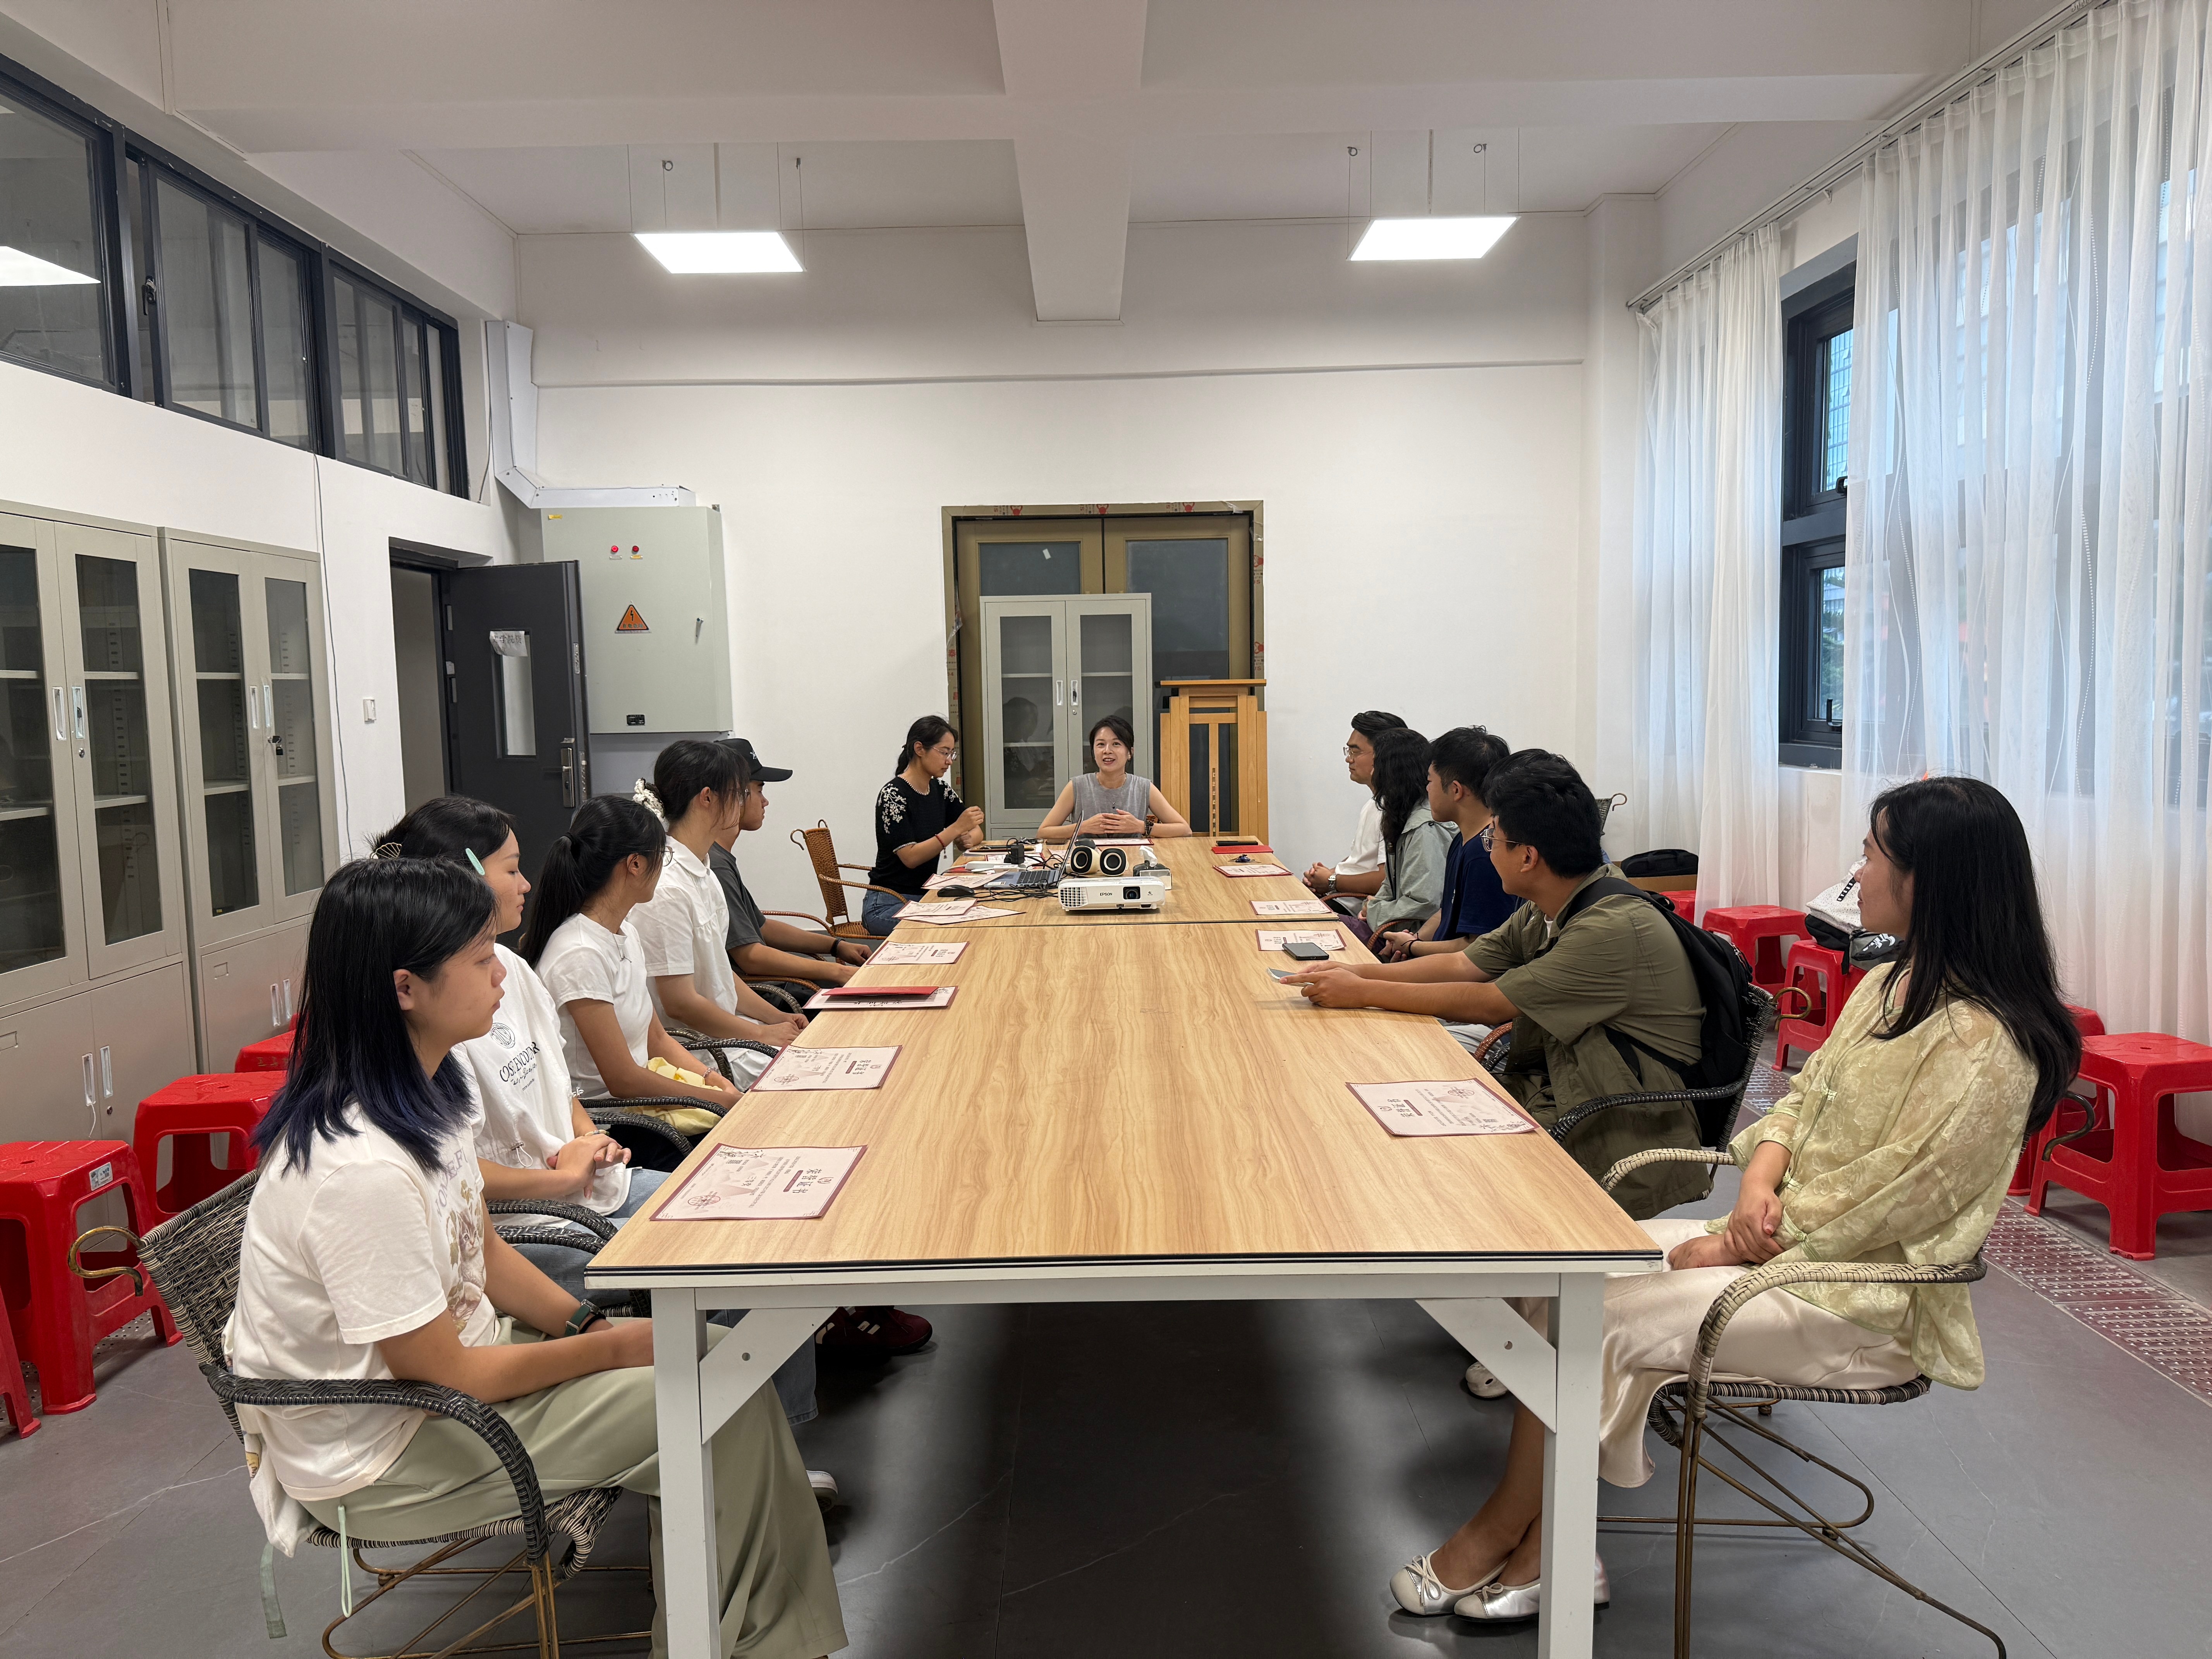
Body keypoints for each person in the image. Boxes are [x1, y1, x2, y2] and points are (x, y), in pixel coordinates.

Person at [1386, 776, 2080, 1624]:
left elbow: (1902, 1196)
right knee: (1571, 1275)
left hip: (1860, 1293)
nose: (1855, 873)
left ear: (1928, 879)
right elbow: (1799, 1100)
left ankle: (1511, 1535)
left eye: (1870, 854)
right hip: (1774, 1235)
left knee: (1598, 1318)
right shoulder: (1889, 987)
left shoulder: (1986, 1041)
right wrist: (1755, 1181)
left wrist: (1740, 1241)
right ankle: (1548, 1546)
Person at [225, 857, 846, 1658]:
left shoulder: (426, 1094)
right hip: (390, 1450)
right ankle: (758, 1641)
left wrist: (586, 1324)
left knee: (723, 1358)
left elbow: (482, 1251)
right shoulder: (359, 1169)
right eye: (480, 958)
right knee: (712, 1392)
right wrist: (611, 1348)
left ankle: (743, 1636)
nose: (500, 974)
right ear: (406, 988)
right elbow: (446, 1373)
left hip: (446, 1386)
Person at [369, 795, 824, 1442]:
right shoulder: (433, 1034)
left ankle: (760, 1434)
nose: (526, 884)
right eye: (510, 869)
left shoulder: (512, 973)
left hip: (584, 1185)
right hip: (541, 1216)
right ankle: (739, 1438)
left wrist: (587, 1138)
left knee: (766, 1222)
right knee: (731, 1259)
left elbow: (557, 1084)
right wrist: (564, 1182)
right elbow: (463, 1194)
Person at [1285, 750, 1709, 1218]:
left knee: (1430, 1168)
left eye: (1495, 839)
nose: (1488, 849)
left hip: (1620, 1123)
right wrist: (1357, 972)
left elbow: (1491, 1002)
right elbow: (1464, 964)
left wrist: (1363, 993)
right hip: (1562, 1086)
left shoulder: (1610, 927)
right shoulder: (1555, 901)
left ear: (1527, 856)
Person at [520, 796, 741, 1137]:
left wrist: (714, 1082)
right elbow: (623, 1080)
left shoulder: (625, 931)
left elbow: (657, 1038)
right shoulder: (580, 952)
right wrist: (714, 1100)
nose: (663, 868)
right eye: (662, 856)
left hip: (643, 1105)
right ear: (635, 864)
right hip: (611, 1126)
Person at [629, 741, 804, 1084]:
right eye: (739, 793)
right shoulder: (667, 887)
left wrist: (775, 1018)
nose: (745, 802)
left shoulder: (704, 869)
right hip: (704, 1057)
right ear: (707, 798)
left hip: (733, 1040)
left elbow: (719, 971)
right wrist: (762, 1034)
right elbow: (680, 1004)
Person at [711, 738, 871, 996]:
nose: (765, 801)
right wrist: (837, 972)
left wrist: (836, 946)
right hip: (760, 994)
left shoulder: (721, 859)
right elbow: (751, 957)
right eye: (759, 790)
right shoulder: (715, 866)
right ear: (735, 795)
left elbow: (761, 927)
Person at [1376, 725, 1519, 962]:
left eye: (1430, 781)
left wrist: (1413, 948)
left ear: (1456, 790)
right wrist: (1413, 940)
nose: (1427, 789)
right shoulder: (1462, 839)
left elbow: (1476, 948)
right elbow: (1447, 912)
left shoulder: (1485, 854)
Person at [864, 716, 986, 937]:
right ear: (920, 749)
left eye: (952, 754)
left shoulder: (940, 790)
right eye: (944, 752)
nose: (949, 761)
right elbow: (911, 858)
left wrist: (969, 837)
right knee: (954, 928)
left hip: (924, 898)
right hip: (888, 903)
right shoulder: (893, 795)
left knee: (977, 913)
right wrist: (955, 830)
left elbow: (974, 828)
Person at [1302, 710, 1406, 912]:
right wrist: (1323, 876)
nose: (1349, 759)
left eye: (1356, 752)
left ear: (1383, 755)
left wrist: (1332, 881)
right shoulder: (1374, 804)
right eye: (1348, 751)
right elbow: (1360, 861)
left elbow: (1385, 879)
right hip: (1340, 897)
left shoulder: (1392, 808)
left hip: (1354, 908)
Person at [1036, 713, 1192, 843]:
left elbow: (1185, 830)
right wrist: (1082, 828)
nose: (1107, 751)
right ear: (1093, 752)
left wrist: (1141, 827)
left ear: (1130, 753)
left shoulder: (1143, 787)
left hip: (1133, 862)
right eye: (1101, 745)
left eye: (1116, 744)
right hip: (1088, 862)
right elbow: (1043, 833)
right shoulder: (1077, 786)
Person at [1359, 726, 1454, 938]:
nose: (1373, 774)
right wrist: (1373, 907)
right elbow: (1390, 884)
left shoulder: (1424, 829)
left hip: (1411, 936)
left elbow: (1425, 903)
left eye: (1377, 767)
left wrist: (1373, 911)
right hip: (1392, 927)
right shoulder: (1402, 816)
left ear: (1392, 774)